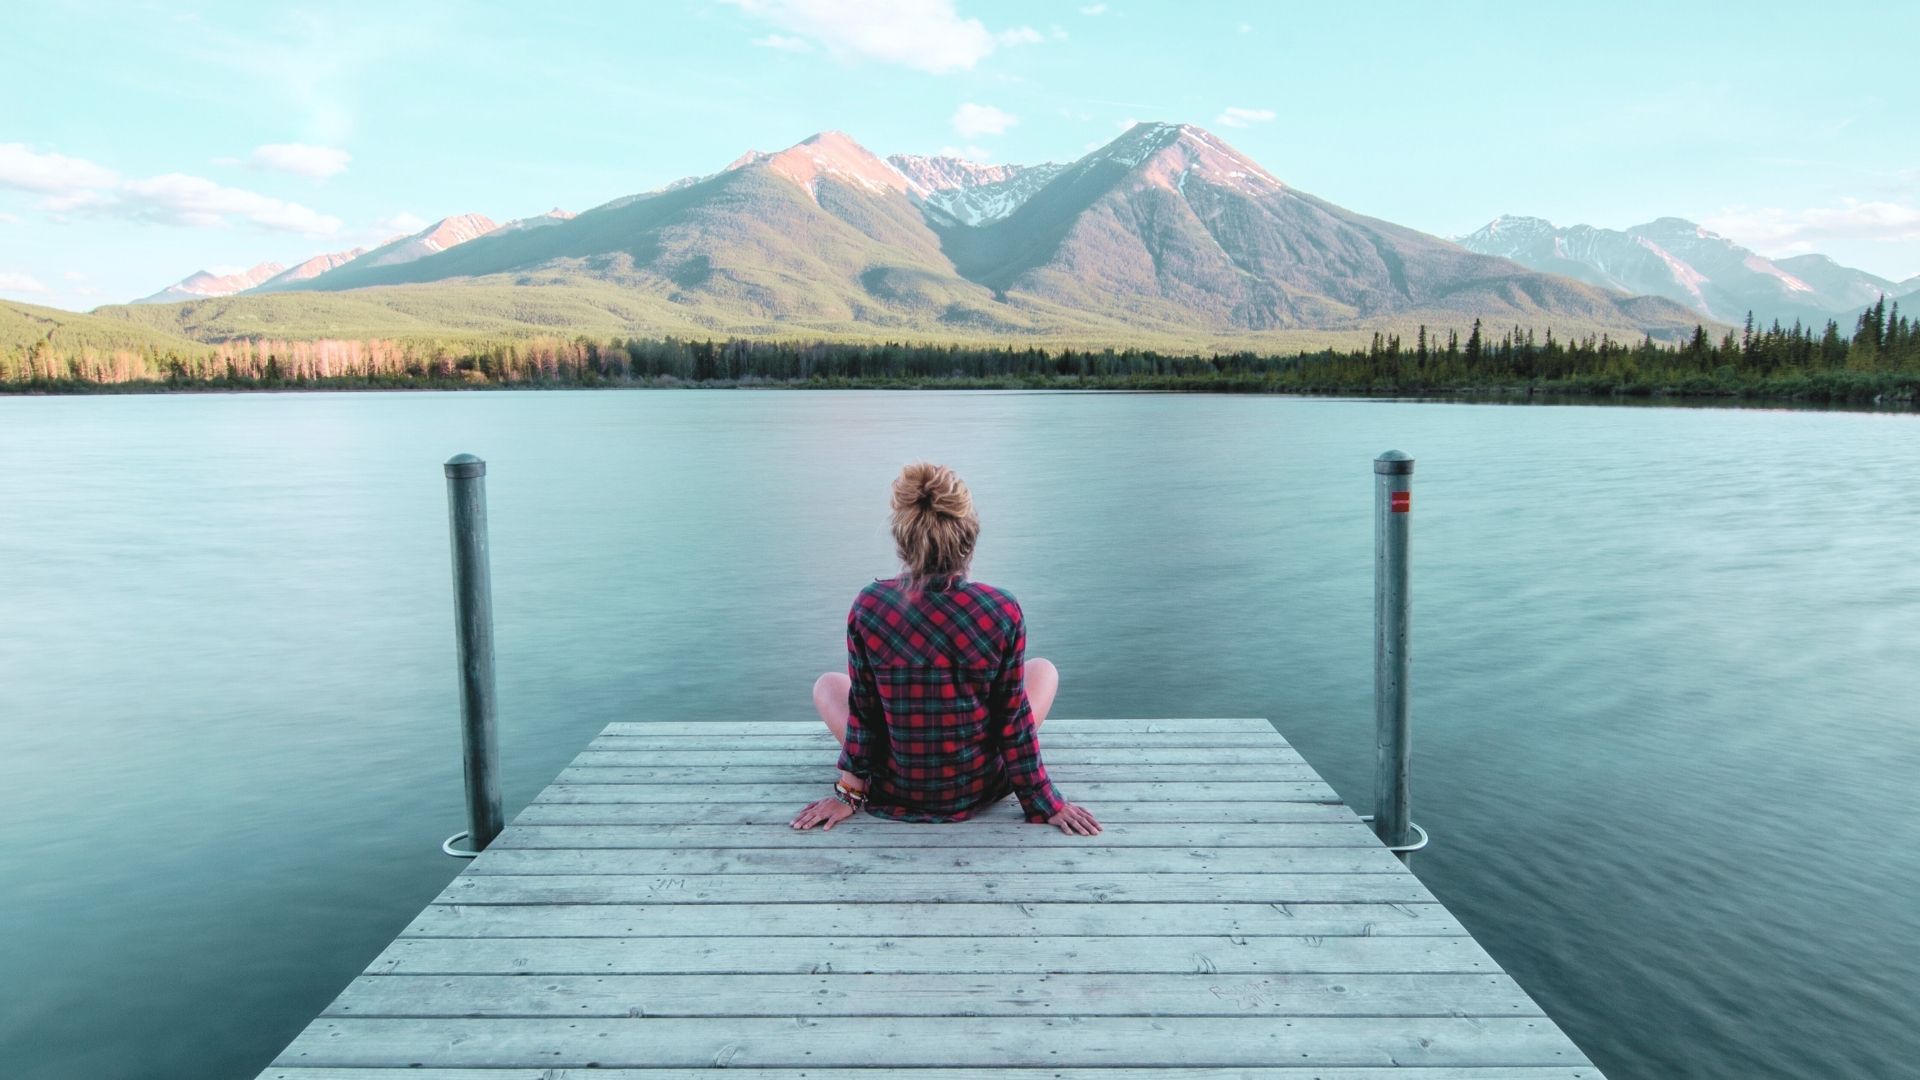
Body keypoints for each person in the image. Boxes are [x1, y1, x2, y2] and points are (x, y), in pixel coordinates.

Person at [791, 462, 1102, 836]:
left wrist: (848, 795)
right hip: (977, 786)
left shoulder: (869, 605)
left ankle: (872, 780)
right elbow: (1013, 721)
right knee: (1043, 671)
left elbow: (865, 713)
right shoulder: (1000, 609)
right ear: (969, 537)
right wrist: (1044, 802)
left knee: (828, 685)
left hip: (894, 785)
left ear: (902, 540)